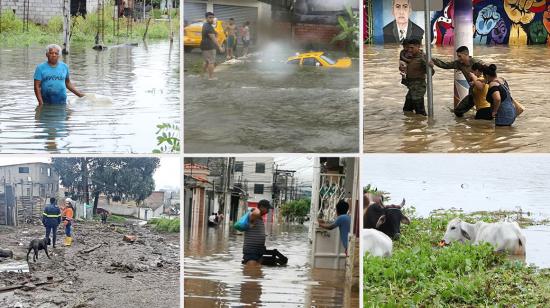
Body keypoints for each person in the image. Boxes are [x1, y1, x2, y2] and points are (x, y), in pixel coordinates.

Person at [431, 46, 486, 115]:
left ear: (466, 55)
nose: (459, 58)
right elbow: (445, 65)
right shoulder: (459, 63)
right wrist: (432, 60)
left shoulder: (477, 62)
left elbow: (490, 73)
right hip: (473, 92)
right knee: (458, 111)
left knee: (485, 113)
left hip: (484, 92)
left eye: (460, 56)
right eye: (458, 56)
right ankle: (463, 125)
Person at [402, 38, 433, 116]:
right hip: (411, 87)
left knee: (420, 113)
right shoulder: (411, 56)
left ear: (418, 46)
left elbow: (431, 73)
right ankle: (412, 126)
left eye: (412, 48)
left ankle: (423, 126)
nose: (409, 50)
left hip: (418, 88)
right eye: (408, 47)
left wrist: (430, 67)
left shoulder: (423, 58)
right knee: (407, 110)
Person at [242, 199, 271, 266]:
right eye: (267, 209)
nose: (268, 211)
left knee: (256, 272)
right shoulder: (255, 213)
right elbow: (255, 212)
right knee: (251, 271)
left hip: (258, 250)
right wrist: (257, 209)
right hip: (251, 250)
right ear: (261, 207)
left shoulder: (258, 216)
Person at [201, 12, 225, 80]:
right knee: (211, 62)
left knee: (206, 61)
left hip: (204, 45)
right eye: (210, 17)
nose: (211, 19)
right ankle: (211, 77)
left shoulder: (205, 25)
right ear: (206, 18)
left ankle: (202, 75)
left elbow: (213, 34)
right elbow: (213, 38)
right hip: (209, 46)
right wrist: (219, 47)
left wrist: (215, 32)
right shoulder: (208, 26)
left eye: (212, 17)